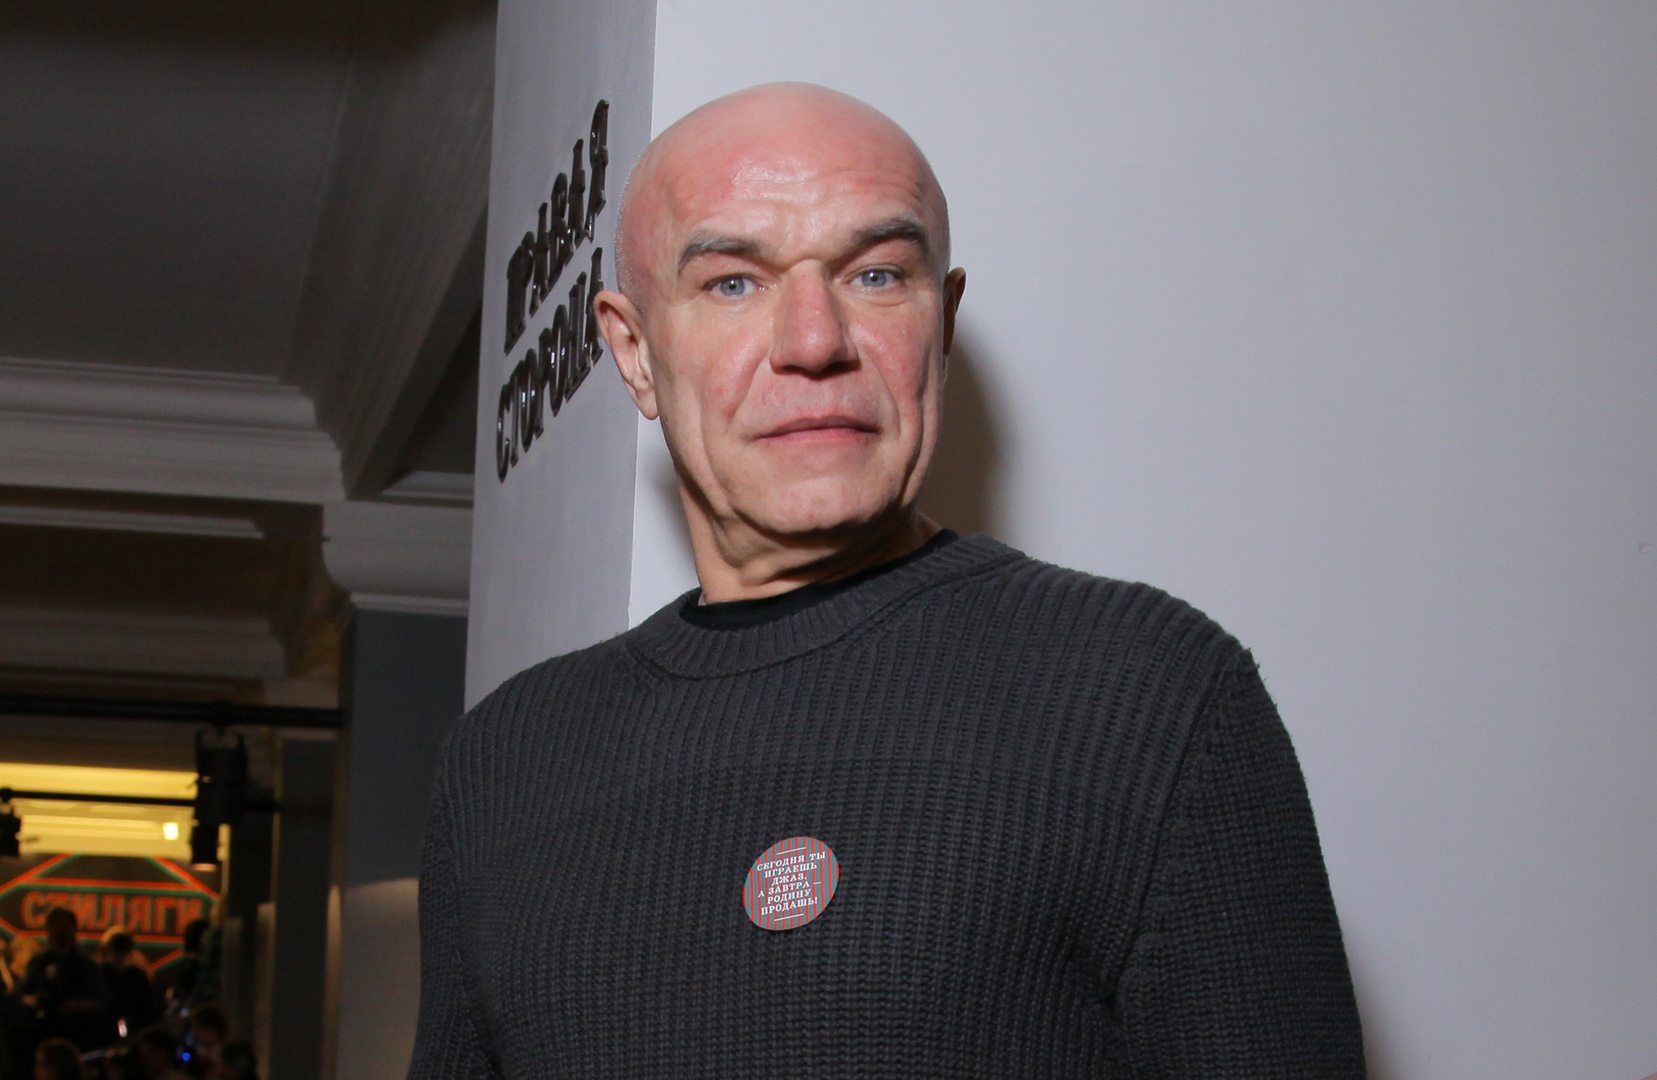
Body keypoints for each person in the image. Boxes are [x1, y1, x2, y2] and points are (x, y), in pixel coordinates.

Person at [409, 83, 1365, 1078]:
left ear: (939, 326)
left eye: (875, 275)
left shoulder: (1148, 694)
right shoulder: (504, 761)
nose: (813, 341)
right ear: (635, 351)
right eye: (733, 283)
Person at [18, 911, 107, 1055]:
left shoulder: (85, 965)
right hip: (44, 1033)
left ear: (73, 928)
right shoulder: (39, 963)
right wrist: (39, 1002)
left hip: (79, 1035)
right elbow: (22, 995)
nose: (60, 930)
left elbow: (103, 1000)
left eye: (64, 925)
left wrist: (77, 1005)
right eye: (56, 925)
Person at [96, 932, 153, 1043]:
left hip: (105, 1030)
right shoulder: (138, 976)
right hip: (132, 1030)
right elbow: (147, 1007)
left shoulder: (100, 973)